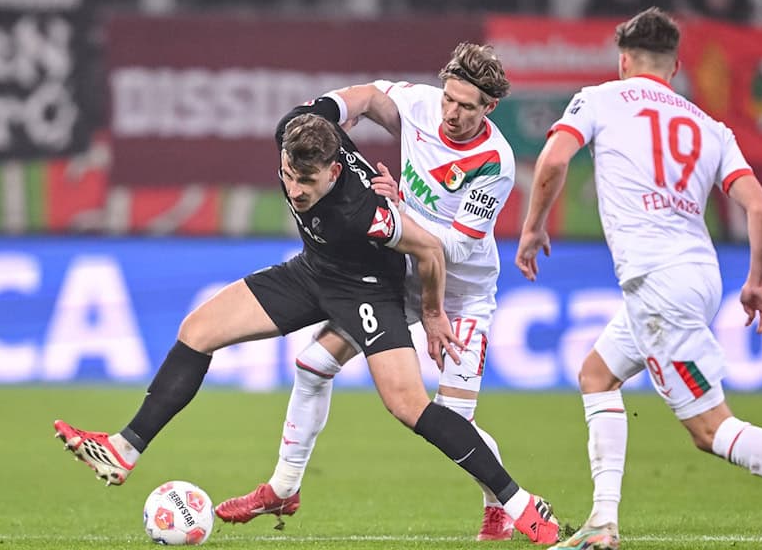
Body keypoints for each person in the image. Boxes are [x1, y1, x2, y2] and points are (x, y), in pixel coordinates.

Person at [54, 94, 561, 545]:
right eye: (289, 177)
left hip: (367, 289)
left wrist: (431, 314)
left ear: (334, 172)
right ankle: (124, 449)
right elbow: (351, 99)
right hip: (312, 272)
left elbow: (429, 250)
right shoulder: (296, 129)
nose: (296, 191)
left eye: (308, 182)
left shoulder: (363, 211)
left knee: (408, 405)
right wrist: (348, 103)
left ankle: (520, 503)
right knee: (197, 331)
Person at [515, 7, 762, 550]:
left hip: (658, 282)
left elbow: (552, 161)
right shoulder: (711, 127)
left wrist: (532, 228)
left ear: (623, 61)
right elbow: (761, 209)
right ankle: (602, 521)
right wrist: (757, 282)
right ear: (675, 67)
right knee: (597, 375)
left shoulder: (599, 99)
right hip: (697, 275)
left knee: (711, 430)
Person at [215, 42, 532, 541]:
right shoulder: (420, 105)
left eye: (466, 106)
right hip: (402, 277)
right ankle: (283, 487)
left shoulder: (496, 162)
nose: (451, 113)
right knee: (312, 364)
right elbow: (364, 98)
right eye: (449, 98)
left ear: (489, 107)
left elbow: (455, 249)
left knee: (452, 421)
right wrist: (320, 112)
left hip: (460, 294)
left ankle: (500, 505)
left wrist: (397, 211)